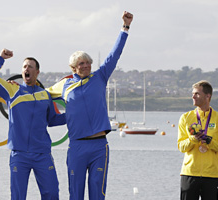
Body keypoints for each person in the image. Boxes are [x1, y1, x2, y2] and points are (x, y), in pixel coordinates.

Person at [46, 11, 133, 200]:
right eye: (81, 63)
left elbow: (114, 55)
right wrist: (15, 90)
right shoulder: (64, 85)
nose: (86, 66)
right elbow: (40, 97)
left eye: (88, 62)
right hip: (76, 146)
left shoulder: (100, 77)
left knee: (97, 192)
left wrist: (125, 27)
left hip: (99, 146)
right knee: (75, 193)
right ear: (73, 67)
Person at [0, 50, 66, 200]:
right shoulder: (12, 90)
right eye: (24, 67)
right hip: (19, 154)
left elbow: (53, 120)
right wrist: (1, 58)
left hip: (42, 154)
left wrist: (73, 115)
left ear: (37, 72)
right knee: (18, 196)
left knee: (52, 194)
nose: (26, 69)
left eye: (30, 66)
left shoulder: (45, 95)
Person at [177, 80, 218, 200]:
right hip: (189, 173)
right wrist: (193, 139)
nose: (193, 96)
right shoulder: (186, 117)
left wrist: (208, 141)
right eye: (193, 93)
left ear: (208, 96)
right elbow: (181, 146)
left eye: (197, 94)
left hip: (211, 174)